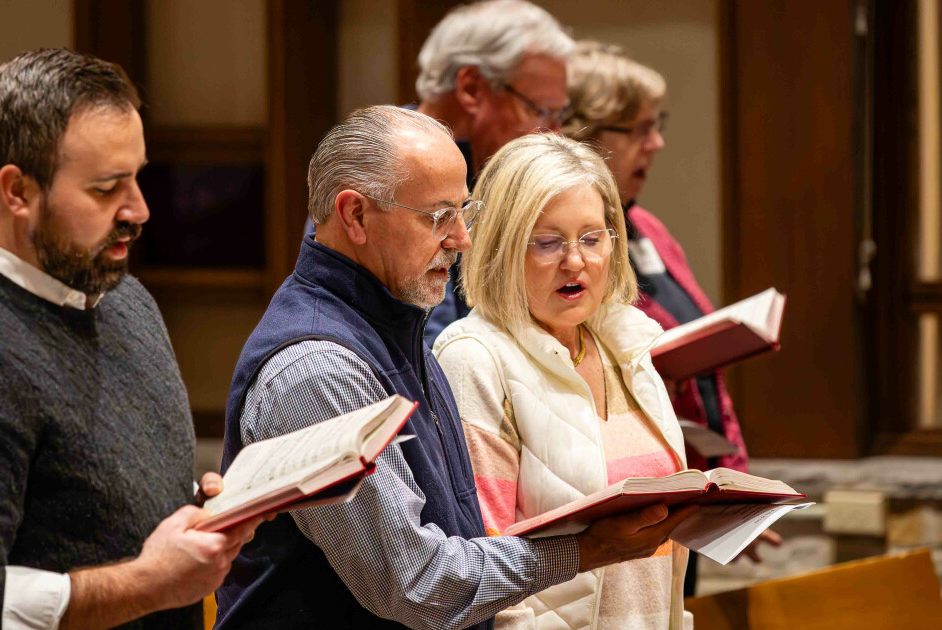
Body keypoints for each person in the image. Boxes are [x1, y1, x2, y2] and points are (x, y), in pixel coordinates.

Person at [216, 105, 696, 630]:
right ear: (354, 216)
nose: (462, 239)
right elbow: (417, 583)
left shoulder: (395, 325)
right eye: (437, 215)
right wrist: (585, 550)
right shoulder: (318, 369)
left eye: (464, 212)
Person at [0, 49, 261, 630]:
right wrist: (147, 583)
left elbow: (91, 516)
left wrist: (201, 514)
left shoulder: (119, 295)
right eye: (106, 190)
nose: (141, 210)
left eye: (138, 177)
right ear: (17, 191)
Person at [434, 133, 694, 628]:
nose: (575, 262)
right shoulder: (474, 358)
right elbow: (482, 556)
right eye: (548, 243)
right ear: (503, 247)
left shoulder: (625, 343)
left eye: (592, 239)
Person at [561, 42, 777, 594]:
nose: (655, 143)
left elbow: (707, 370)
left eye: (656, 126)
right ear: (579, 134)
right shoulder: (553, 253)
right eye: (635, 129)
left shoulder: (648, 229)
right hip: (615, 506)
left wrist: (732, 477)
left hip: (684, 489)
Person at [416, 0, 575, 345]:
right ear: (472, 88)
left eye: (558, 114)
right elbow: (431, 349)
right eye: (540, 110)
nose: (554, 134)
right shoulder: (389, 168)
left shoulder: (485, 167)